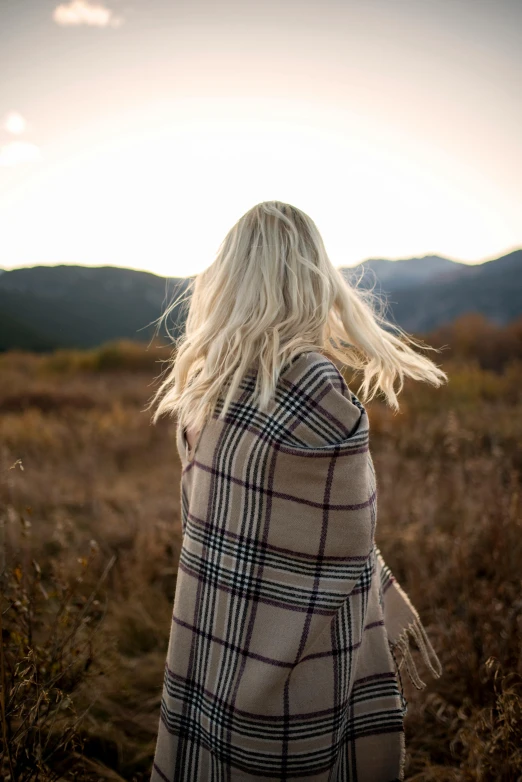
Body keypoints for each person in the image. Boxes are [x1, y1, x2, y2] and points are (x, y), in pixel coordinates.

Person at [147, 201, 447, 781]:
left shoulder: (210, 386)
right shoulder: (312, 380)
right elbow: (353, 537)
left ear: (232, 276)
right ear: (312, 276)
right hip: (300, 661)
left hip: (212, 644)